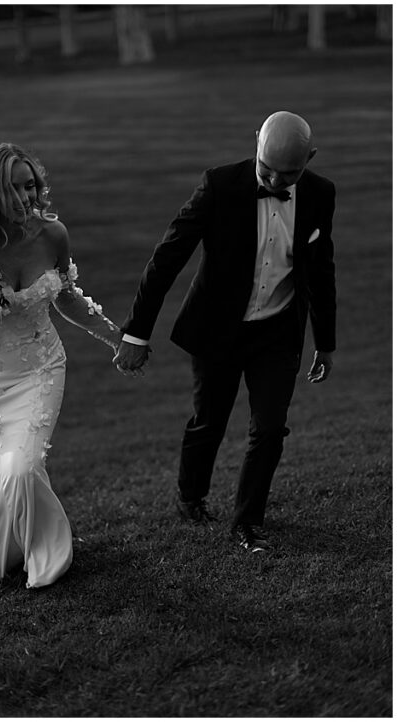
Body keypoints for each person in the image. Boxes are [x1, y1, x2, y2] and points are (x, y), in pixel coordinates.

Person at [113, 111, 336, 554]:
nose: (273, 181)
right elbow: (168, 257)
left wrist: (325, 343)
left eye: (287, 173)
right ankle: (190, 497)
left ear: (309, 158)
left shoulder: (321, 194)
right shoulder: (219, 185)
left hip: (277, 331)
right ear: (255, 143)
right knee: (209, 419)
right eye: (264, 169)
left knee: (270, 428)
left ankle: (247, 523)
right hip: (217, 327)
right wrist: (136, 334)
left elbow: (321, 269)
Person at [0, 143, 121, 588]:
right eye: (13, 187)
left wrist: (114, 335)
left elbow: (66, 295)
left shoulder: (53, 234)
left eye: (30, 185)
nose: (25, 196)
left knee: (23, 465)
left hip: (41, 367)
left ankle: (47, 552)